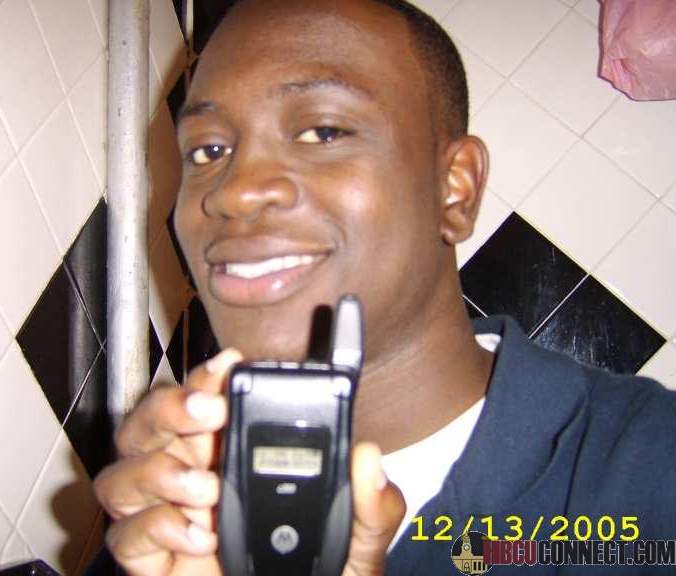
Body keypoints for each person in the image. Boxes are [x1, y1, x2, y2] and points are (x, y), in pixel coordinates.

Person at [92, 0, 676, 574]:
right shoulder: (170, 521)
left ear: (455, 189)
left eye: (323, 131)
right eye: (208, 150)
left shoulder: (652, 471)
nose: (234, 192)